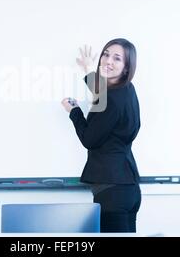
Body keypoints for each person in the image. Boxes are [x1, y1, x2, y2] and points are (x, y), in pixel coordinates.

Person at [61, 38, 141, 233]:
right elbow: (103, 94)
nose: (108, 61)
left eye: (117, 58)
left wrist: (74, 111)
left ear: (126, 67)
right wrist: (88, 68)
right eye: (105, 54)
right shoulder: (126, 90)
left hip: (112, 193)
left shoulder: (111, 99)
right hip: (128, 190)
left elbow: (89, 139)